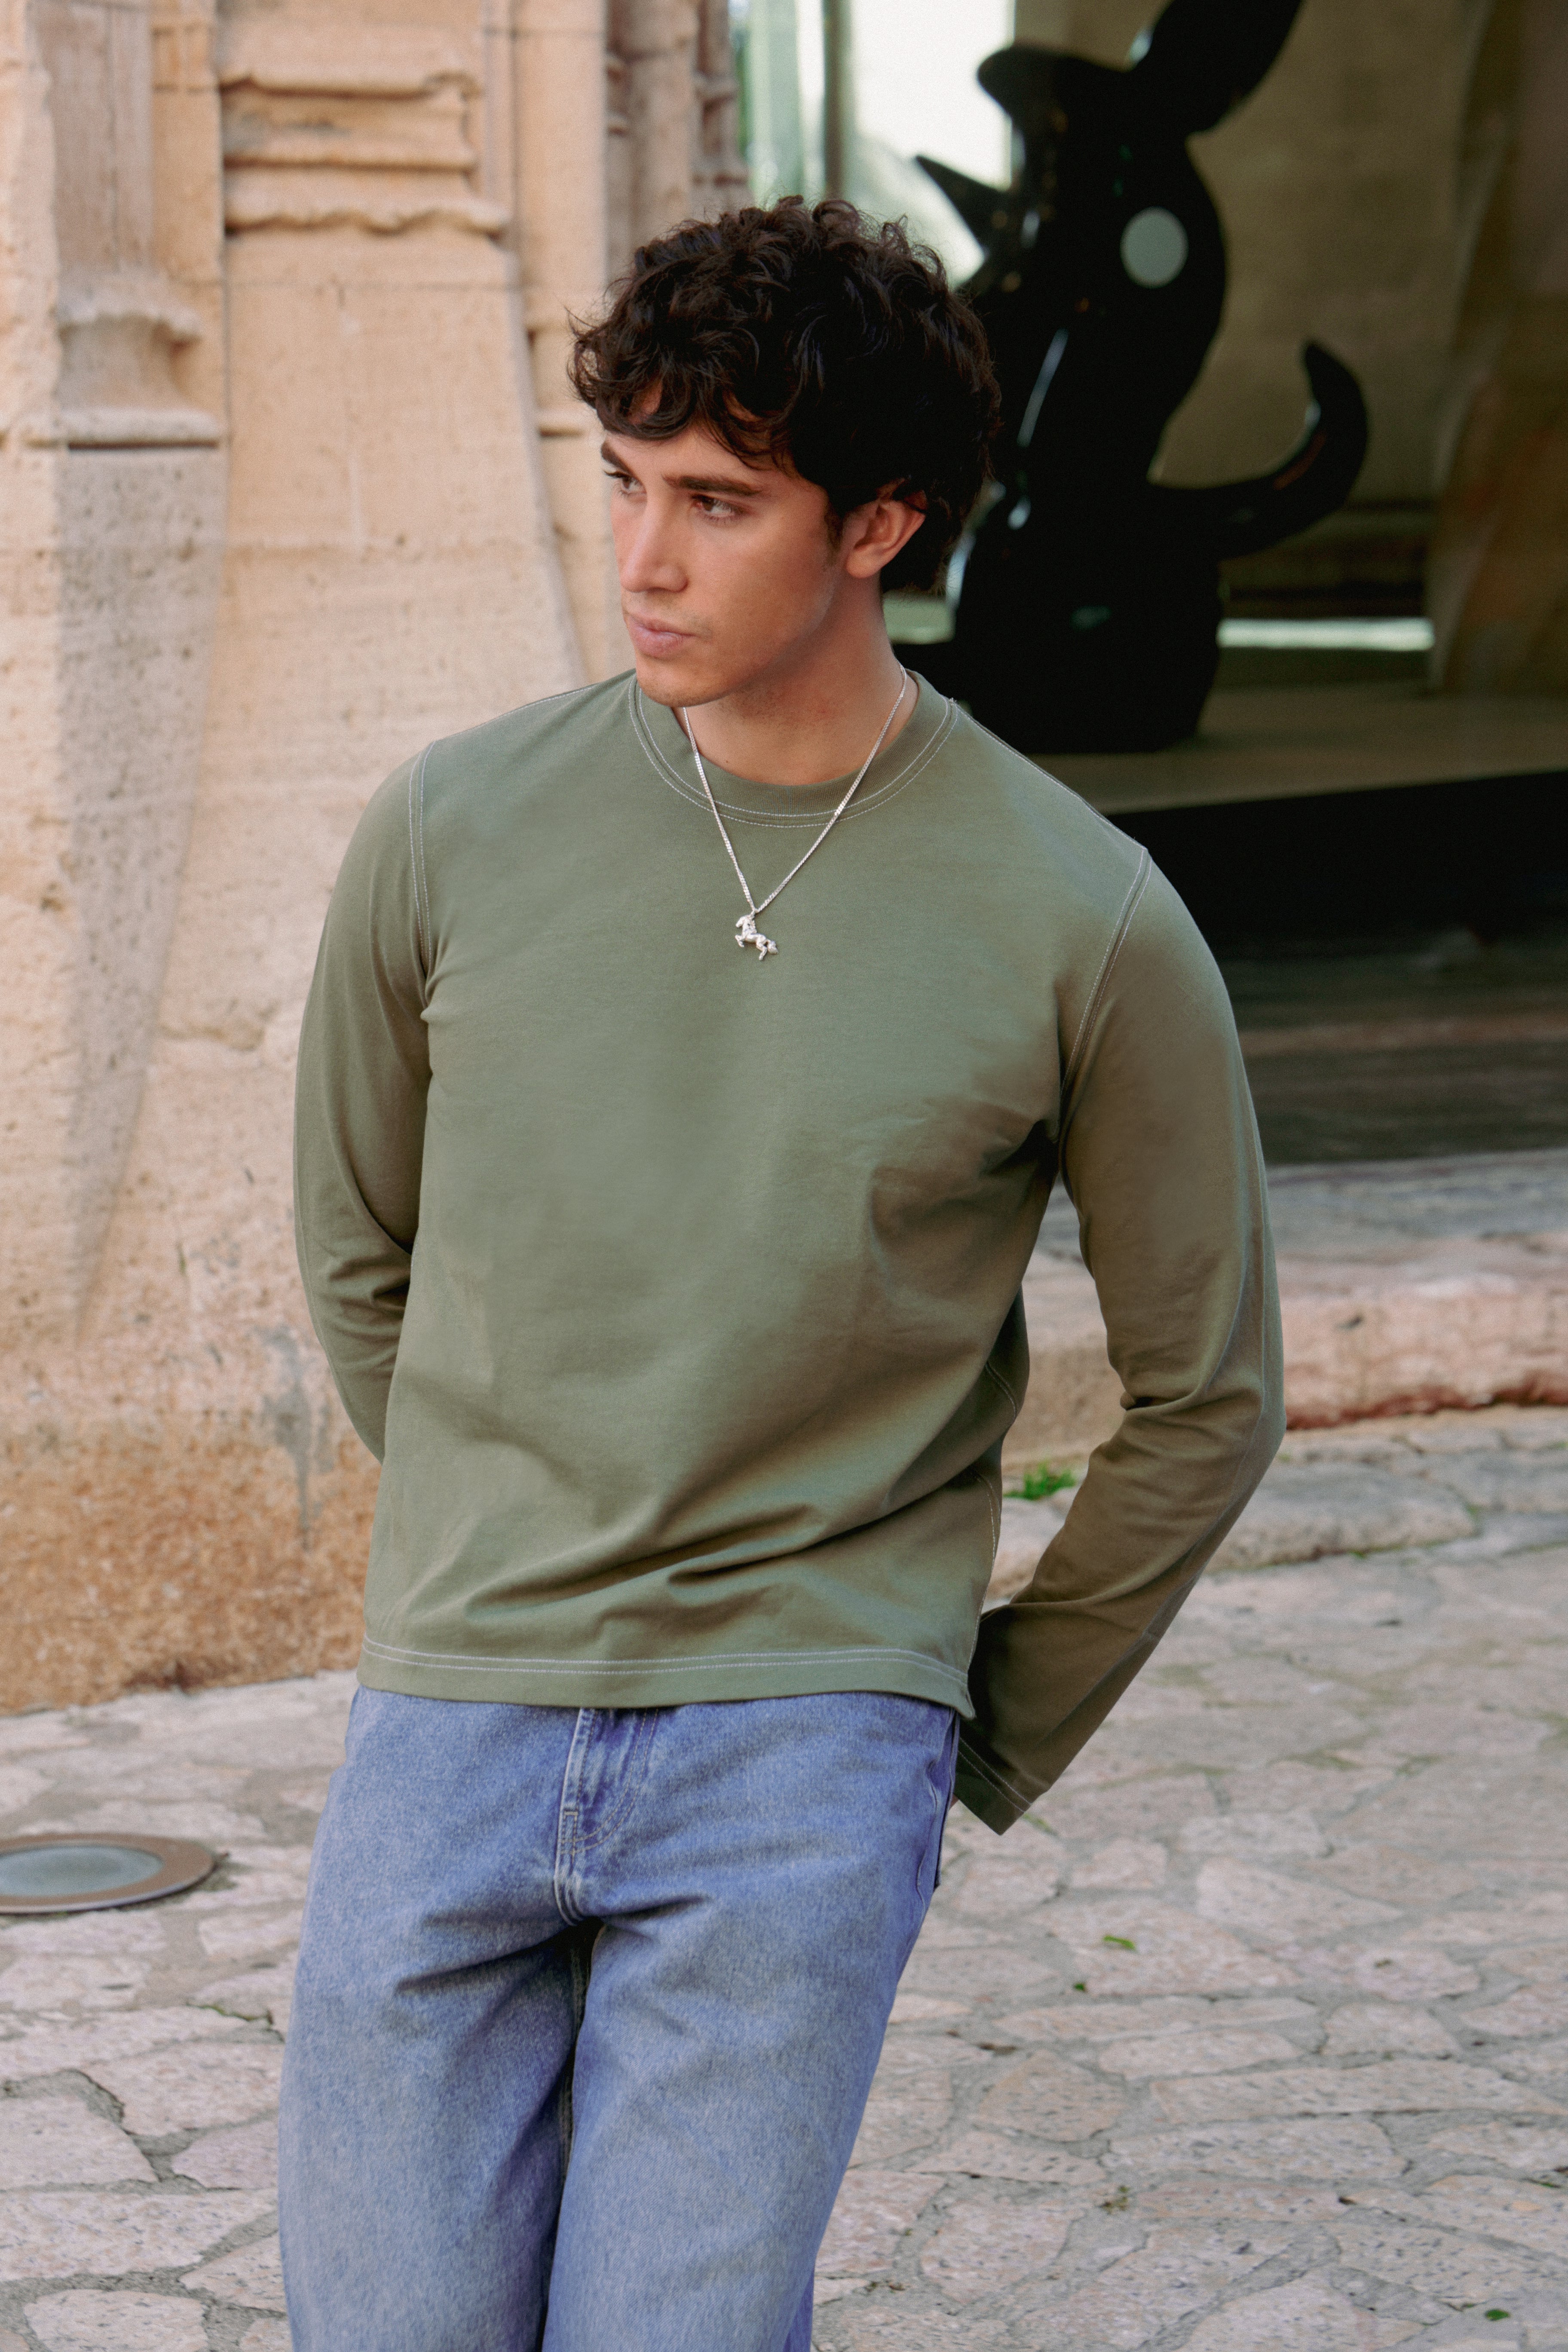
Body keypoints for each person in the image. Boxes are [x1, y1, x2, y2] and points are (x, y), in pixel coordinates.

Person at [281, 196, 1282, 2352]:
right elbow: (360, 1248)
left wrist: (957, 1724)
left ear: (881, 524)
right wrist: (497, 1526)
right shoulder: (451, 832)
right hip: (456, 1713)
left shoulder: (1083, 921)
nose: (640, 559)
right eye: (625, 483)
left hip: (805, 1746)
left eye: (718, 503)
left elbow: (1212, 1396)